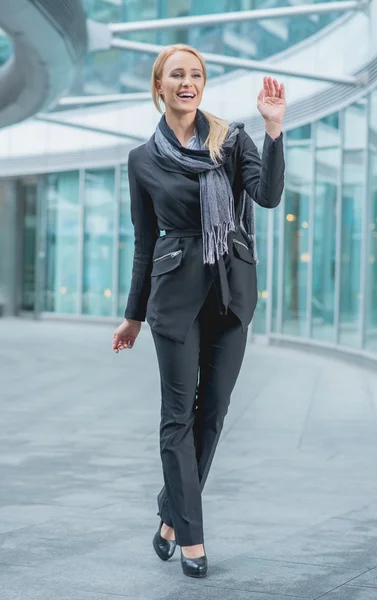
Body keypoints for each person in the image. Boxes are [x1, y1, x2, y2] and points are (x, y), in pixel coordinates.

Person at [112, 43, 286, 579]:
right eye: (177, 75)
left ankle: (171, 515)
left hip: (231, 292)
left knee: (211, 413)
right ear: (159, 86)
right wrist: (133, 314)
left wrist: (273, 130)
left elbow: (269, 195)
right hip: (173, 297)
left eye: (196, 74)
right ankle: (192, 538)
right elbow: (144, 241)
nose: (188, 82)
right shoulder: (142, 160)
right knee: (176, 417)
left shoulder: (231, 140)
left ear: (202, 85)